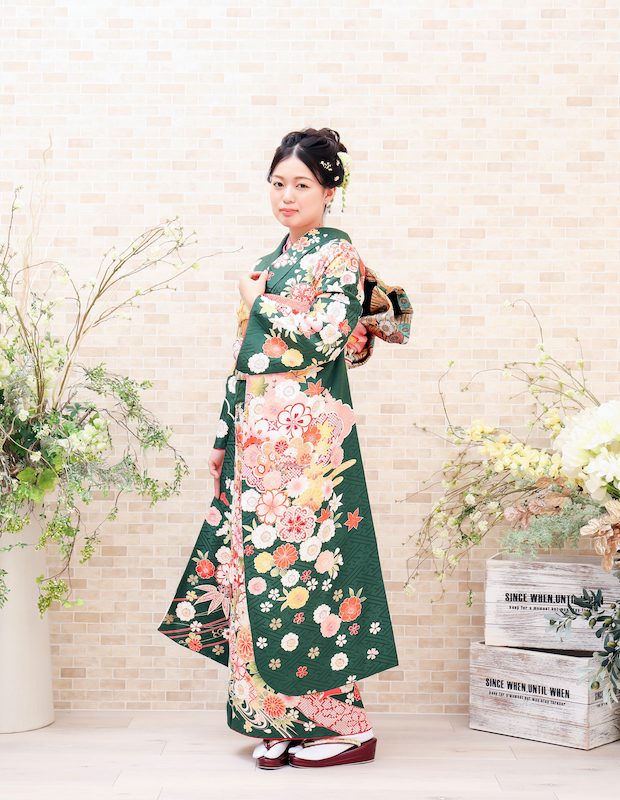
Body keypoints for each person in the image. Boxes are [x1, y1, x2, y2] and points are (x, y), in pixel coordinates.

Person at [159, 127, 399, 769]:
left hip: (310, 446)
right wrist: (223, 435)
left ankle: (343, 728)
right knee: (260, 581)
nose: (287, 196)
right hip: (257, 440)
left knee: (310, 574)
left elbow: (323, 337)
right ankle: (283, 719)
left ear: (329, 191)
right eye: (277, 183)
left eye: (302, 185)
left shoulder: (337, 256)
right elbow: (245, 361)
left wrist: (257, 300)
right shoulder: (271, 259)